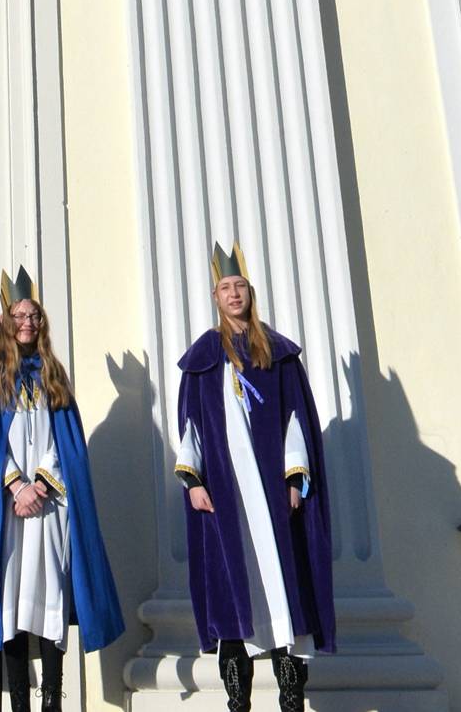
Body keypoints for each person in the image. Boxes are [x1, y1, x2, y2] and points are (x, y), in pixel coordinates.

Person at [174, 244, 335, 712]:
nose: (234, 294)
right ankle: (238, 704)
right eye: (226, 287)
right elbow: (191, 428)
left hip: (271, 495)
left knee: (284, 594)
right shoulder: (204, 359)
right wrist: (194, 483)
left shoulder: (278, 355)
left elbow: (295, 423)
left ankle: (291, 701)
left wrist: (294, 480)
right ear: (215, 296)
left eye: (240, 286)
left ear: (250, 292)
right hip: (226, 497)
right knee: (232, 601)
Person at [0, 267, 125, 712]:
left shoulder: (53, 373)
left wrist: (42, 484)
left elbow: (64, 442)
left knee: (51, 597)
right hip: (9, 509)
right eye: (19, 315)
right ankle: (19, 703)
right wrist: (17, 485)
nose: (27, 323)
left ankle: (52, 700)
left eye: (33, 315)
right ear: (6, 321)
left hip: (51, 505)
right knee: (11, 601)